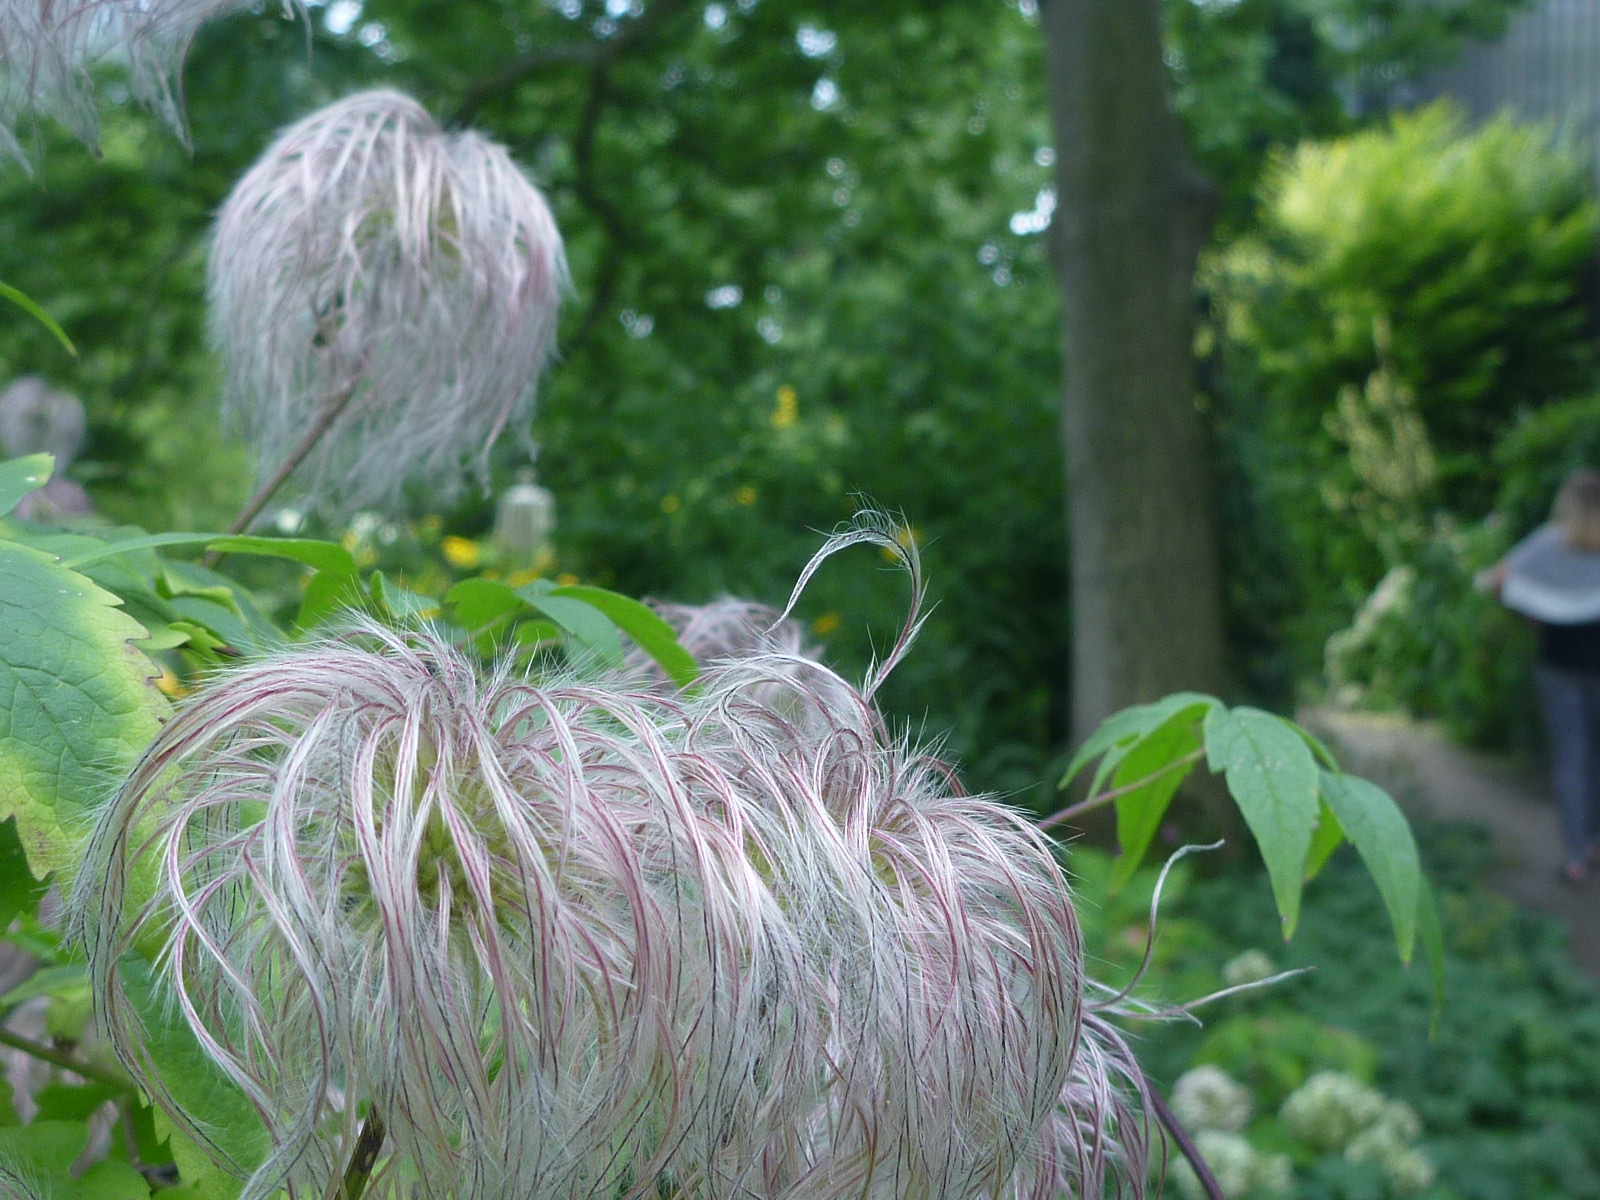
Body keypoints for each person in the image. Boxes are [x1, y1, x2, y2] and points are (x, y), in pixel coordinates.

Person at [1481, 470, 1600, 885]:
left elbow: (1496, 580)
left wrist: (1533, 611)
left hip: (1559, 665)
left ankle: (1576, 857)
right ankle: (1593, 841)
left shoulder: (1550, 542)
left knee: (1572, 758)